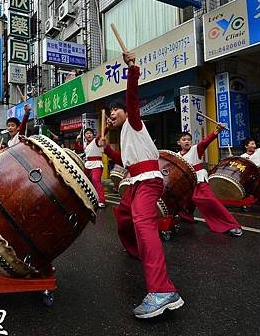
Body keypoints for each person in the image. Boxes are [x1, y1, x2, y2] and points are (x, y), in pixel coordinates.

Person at [97, 51, 183, 319]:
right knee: (123, 214)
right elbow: (125, 160)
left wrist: (132, 71)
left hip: (147, 181)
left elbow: (132, 100)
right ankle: (139, 252)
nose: (112, 114)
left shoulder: (134, 121)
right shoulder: (124, 133)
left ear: (126, 112)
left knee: (143, 223)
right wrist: (107, 149)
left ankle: (162, 290)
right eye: (110, 112)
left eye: (115, 110)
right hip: (135, 181)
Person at [176, 128, 243, 237]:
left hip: (198, 179)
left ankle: (231, 225)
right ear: (179, 142)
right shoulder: (176, 156)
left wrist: (216, 132)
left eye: (189, 139)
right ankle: (186, 217)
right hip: (186, 182)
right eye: (184, 139)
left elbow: (205, 142)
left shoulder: (195, 149)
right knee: (184, 199)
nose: (187, 141)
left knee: (210, 200)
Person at [74, 128, 107, 209]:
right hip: (87, 165)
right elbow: (77, 149)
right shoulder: (85, 144)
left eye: (90, 133)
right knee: (85, 182)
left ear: (93, 135)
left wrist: (107, 127)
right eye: (87, 133)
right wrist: (77, 140)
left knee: (96, 180)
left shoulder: (96, 141)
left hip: (97, 164)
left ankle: (102, 201)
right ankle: (86, 198)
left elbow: (102, 134)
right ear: (84, 136)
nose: (89, 135)